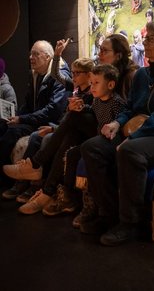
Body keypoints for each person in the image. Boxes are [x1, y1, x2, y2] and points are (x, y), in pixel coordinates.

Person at [80, 19, 154, 246]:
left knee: (130, 150)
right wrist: (117, 124)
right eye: (146, 37)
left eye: (152, 38)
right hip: (138, 132)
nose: (146, 42)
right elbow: (131, 109)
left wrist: (133, 137)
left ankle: (131, 224)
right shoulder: (141, 75)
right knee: (92, 147)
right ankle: (109, 214)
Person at [3, 34, 138, 217]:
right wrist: (80, 107)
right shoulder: (99, 78)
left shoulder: (129, 76)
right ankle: (47, 192)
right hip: (94, 126)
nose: (99, 54)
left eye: (104, 51)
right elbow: (93, 105)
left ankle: (36, 166)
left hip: (113, 131)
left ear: (119, 55)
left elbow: (128, 109)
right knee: (69, 135)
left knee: (70, 122)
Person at [40, 63, 127, 217]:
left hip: (111, 142)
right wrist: (81, 107)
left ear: (111, 84)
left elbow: (121, 124)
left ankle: (96, 206)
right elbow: (92, 110)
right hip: (97, 139)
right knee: (72, 153)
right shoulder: (97, 100)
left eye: (96, 83)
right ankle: (70, 196)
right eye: (91, 83)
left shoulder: (117, 102)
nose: (92, 87)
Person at [0, 40, 70, 187]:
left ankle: (15, 181)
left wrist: (22, 119)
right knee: (6, 127)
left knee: (13, 135)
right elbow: (28, 104)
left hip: (50, 122)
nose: (31, 57)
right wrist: (15, 117)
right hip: (36, 120)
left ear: (48, 57)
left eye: (35, 54)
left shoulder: (60, 76)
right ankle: (10, 180)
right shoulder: (36, 74)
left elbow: (53, 111)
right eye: (30, 54)